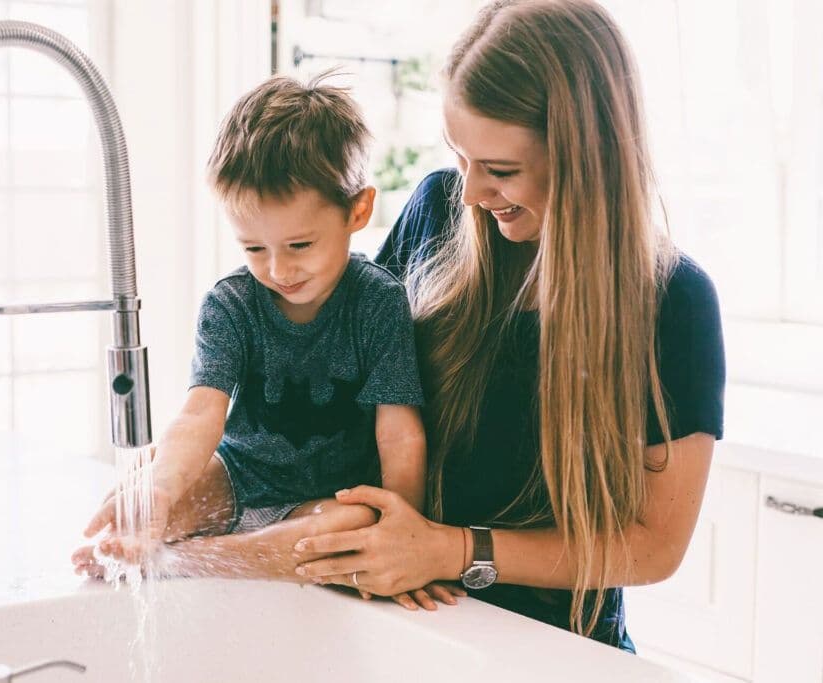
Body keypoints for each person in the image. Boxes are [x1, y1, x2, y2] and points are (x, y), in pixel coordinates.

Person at [289, 0, 725, 651]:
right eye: (460, 157)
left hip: (556, 650)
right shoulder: (435, 211)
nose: (469, 192)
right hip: (404, 622)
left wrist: (451, 549)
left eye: (501, 170)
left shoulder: (673, 303)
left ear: (585, 158)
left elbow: (653, 544)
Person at [73, 73, 431, 607]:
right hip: (236, 477)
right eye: (254, 249)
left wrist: (404, 540)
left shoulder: (377, 303)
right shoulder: (231, 305)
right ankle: (156, 540)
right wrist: (161, 491)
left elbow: (399, 434)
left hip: (325, 500)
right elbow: (200, 416)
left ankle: (190, 560)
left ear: (357, 212)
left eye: (299, 244)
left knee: (349, 527)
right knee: (146, 493)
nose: (279, 268)